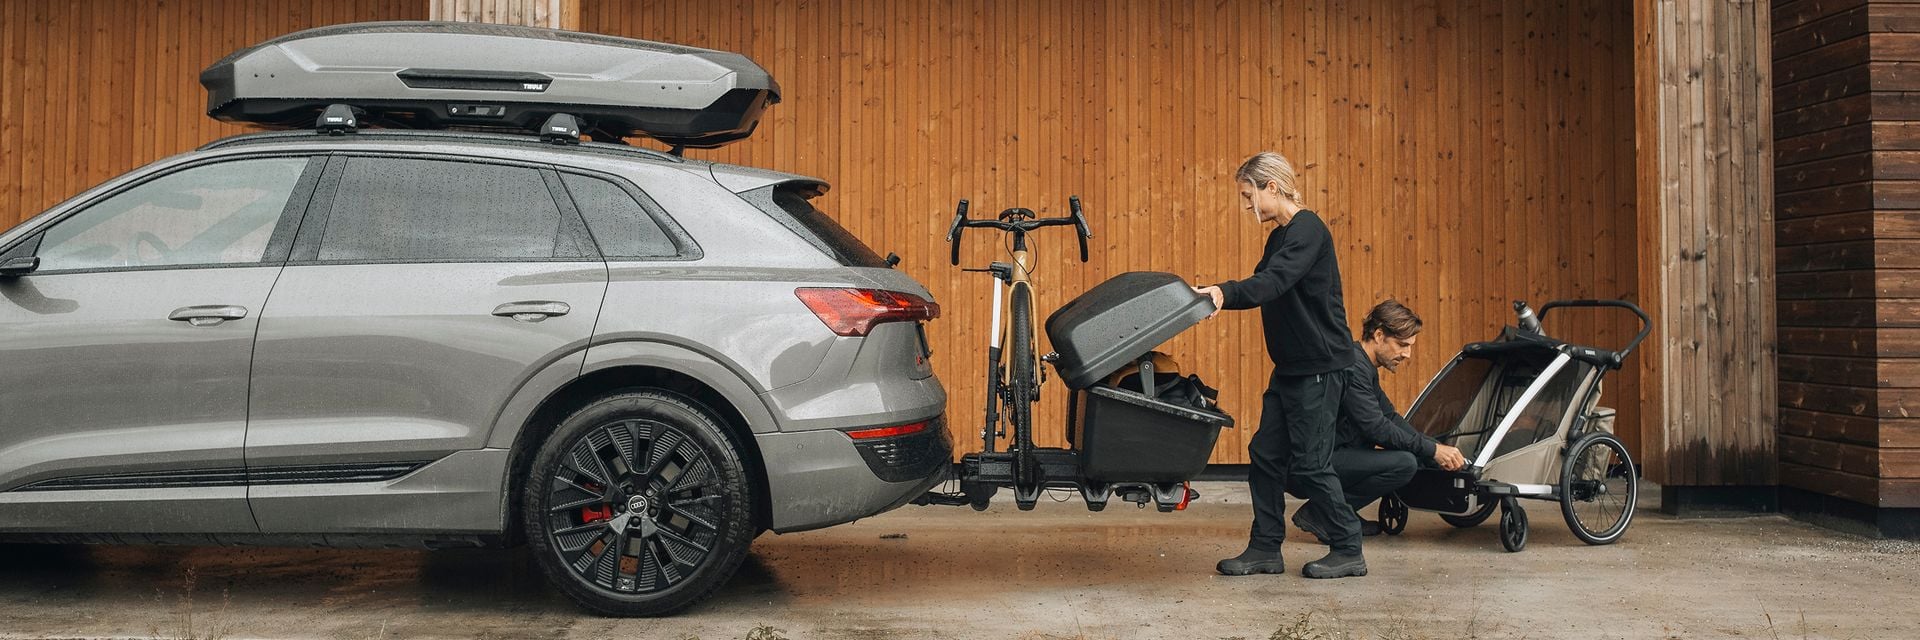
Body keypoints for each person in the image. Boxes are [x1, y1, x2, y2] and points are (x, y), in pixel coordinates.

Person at [1194, 151, 1366, 579]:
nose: (1246, 204)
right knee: (1266, 456)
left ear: (1272, 186)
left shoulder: (1307, 230)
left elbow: (1273, 282)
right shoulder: (1280, 236)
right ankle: (1266, 548)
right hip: (1292, 367)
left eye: (1248, 194)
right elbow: (1264, 285)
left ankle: (1348, 547)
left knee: (1311, 463)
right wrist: (1219, 296)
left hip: (1320, 367)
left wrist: (1225, 292)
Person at [1291, 300, 1467, 544]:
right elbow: (1375, 427)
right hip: (1310, 464)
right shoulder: (1352, 366)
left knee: (1413, 454)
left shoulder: (1361, 364)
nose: (1407, 354)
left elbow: (1390, 416)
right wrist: (1432, 449)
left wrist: (1433, 449)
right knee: (1404, 463)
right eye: (1402, 345)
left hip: (1332, 455)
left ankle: (1343, 513)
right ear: (1379, 335)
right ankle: (1323, 513)